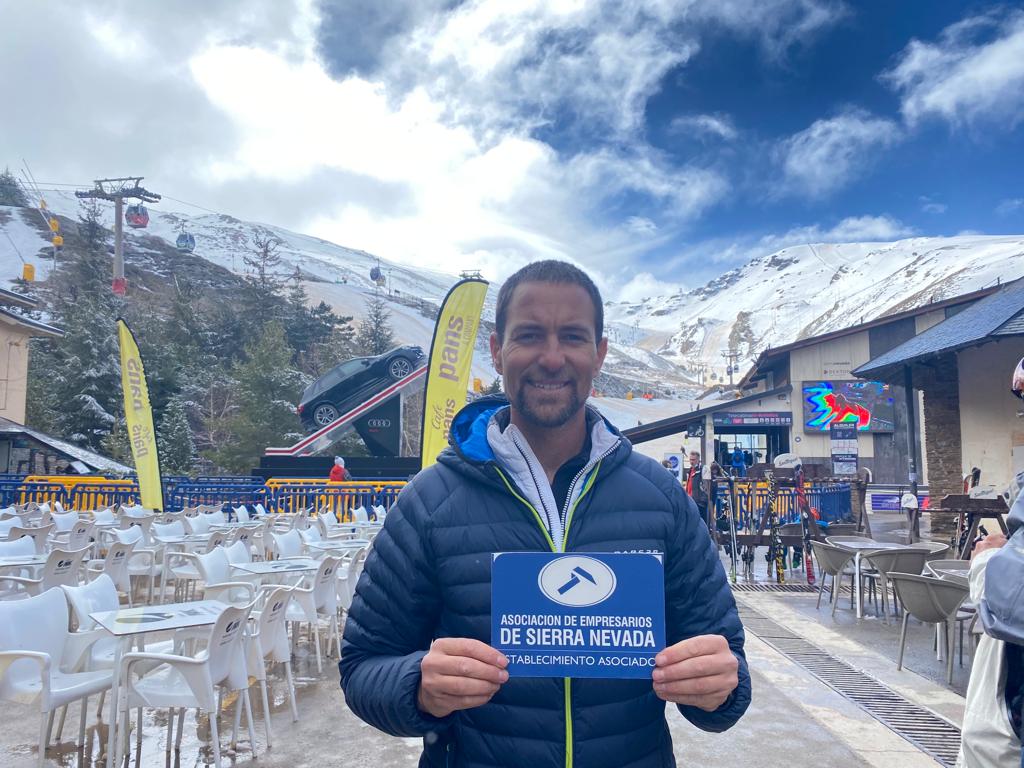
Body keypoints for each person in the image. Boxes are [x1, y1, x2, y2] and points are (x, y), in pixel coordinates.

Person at [340, 260, 750, 767]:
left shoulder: (661, 497)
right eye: (530, 335)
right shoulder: (429, 502)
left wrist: (718, 687)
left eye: (573, 337)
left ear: (599, 353)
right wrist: (418, 687)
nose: (552, 358)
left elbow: (729, 668)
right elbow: (362, 668)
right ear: (497, 350)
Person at [685, 451, 710, 528]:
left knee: (701, 526)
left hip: (699, 503)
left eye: (693, 460)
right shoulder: (690, 471)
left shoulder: (703, 470)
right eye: (690, 459)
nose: (691, 462)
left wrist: (702, 502)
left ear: (698, 460)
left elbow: (707, 487)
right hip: (690, 502)